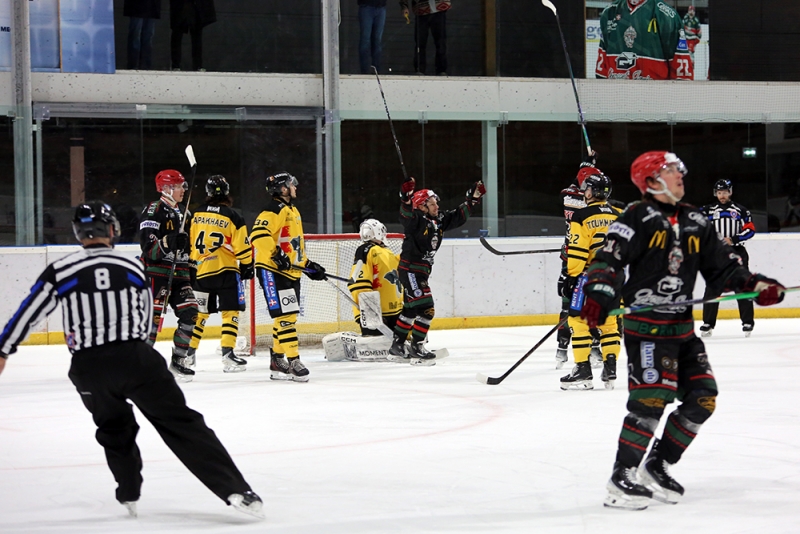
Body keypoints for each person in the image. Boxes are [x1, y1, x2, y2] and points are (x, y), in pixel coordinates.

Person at [0, 202, 264, 519]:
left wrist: (3, 350)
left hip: (89, 367)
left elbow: (27, 313)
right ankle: (237, 490)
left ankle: (128, 492)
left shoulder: (61, 270)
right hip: (136, 359)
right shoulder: (132, 267)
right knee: (182, 423)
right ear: (112, 230)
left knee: (114, 428)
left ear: (77, 233)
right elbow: (143, 319)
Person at [579, 151, 785, 510]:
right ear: (652, 181)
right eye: (671, 171)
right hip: (647, 328)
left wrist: (756, 284)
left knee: (704, 397)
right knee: (650, 400)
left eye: (678, 170)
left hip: (681, 330)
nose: (680, 176)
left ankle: (657, 464)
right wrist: (599, 292)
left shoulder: (695, 219)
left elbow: (723, 268)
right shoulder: (635, 217)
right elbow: (608, 260)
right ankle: (621, 475)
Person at [389, 177, 485, 365]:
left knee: (409, 309)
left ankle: (396, 347)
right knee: (427, 309)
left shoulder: (438, 220)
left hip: (420, 272)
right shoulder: (415, 220)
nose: (436, 206)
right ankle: (417, 347)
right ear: (421, 206)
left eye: (435, 203)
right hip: (411, 271)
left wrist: (473, 198)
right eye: (431, 204)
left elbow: (458, 216)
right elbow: (405, 215)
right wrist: (405, 198)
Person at [250, 172, 327, 381]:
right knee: (285, 317)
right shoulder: (273, 209)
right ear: (283, 189)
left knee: (289, 316)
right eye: (292, 184)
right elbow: (258, 235)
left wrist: (309, 266)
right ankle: (293, 361)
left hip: (290, 271)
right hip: (272, 271)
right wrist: (276, 255)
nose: (295, 187)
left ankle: (277, 360)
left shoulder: (292, 211)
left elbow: (292, 246)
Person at [560, 171, 621, 390]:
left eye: (587, 189)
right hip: (616, 278)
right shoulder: (619, 214)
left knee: (578, 321)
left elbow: (577, 251)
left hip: (589, 278)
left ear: (593, 191)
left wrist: (572, 276)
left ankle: (583, 370)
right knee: (610, 322)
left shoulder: (582, 216)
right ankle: (610, 369)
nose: (584, 192)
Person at [187, 175, 255, 372]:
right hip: (226, 271)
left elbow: (189, 242)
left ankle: (188, 355)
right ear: (226, 192)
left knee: (200, 315)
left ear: (208, 193)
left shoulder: (195, 214)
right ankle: (228, 355)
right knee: (230, 313)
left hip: (201, 271)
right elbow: (242, 247)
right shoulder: (233, 216)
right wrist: (247, 265)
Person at [139, 169, 198, 381]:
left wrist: (193, 266)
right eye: (179, 185)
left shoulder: (186, 214)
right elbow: (148, 248)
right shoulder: (153, 210)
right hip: (157, 274)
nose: (184, 189)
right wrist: (169, 242)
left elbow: (189, 248)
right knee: (153, 321)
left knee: (190, 311)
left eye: (184, 185)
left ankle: (179, 360)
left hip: (180, 273)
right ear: (166, 188)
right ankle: (141, 365)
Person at [556, 160, 605, 370]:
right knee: (589, 305)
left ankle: (561, 348)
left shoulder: (567, 195)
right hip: (586, 262)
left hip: (569, 257)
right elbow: (601, 198)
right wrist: (594, 168)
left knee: (568, 305)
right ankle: (594, 346)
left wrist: (587, 168)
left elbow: (575, 186)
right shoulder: (589, 202)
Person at [699, 179, 757, 337]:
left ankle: (747, 322)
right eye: (719, 192)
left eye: (725, 192)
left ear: (730, 192)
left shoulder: (741, 210)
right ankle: (707, 323)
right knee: (712, 287)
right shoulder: (708, 210)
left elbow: (750, 230)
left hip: (737, 252)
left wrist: (734, 239)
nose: (722, 195)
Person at [596, 0, 693, 80]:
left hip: (655, 96)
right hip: (616, 95)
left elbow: (682, 74)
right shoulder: (609, 13)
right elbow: (602, 69)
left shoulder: (666, 16)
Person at [348, 218, 403, 335]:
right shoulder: (366, 250)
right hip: (377, 313)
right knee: (376, 348)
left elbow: (393, 269)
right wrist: (370, 312)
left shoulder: (385, 252)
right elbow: (359, 283)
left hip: (394, 311)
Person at [400, 0, 451, 76]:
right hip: (421, 10)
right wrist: (404, 6)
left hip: (438, 8)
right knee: (420, 43)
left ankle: (441, 69)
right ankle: (420, 69)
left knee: (440, 42)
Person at [170, 0, 216, 71]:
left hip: (194, 5)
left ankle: (197, 65)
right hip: (182, 5)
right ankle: (176, 65)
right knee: (178, 34)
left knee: (196, 34)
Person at [124, 0, 161, 70]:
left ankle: (145, 65)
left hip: (151, 6)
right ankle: (133, 65)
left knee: (148, 37)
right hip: (136, 6)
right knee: (136, 35)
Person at [358, 0, 388, 74]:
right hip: (367, 6)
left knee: (377, 40)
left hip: (380, 7)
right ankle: (365, 70)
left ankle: (376, 69)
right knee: (366, 39)